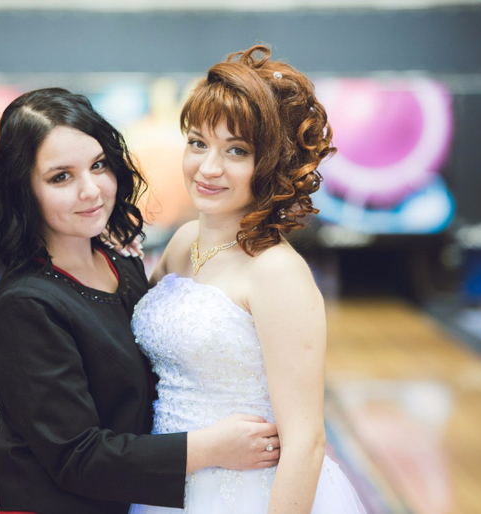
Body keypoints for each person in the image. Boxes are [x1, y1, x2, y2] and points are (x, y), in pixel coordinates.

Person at [0, 88, 281, 514]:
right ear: (24, 190)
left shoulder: (120, 261)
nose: (91, 191)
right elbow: (77, 457)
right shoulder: (26, 306)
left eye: (98, 165)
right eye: (61, 177)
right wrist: (210, 447)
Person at [129, 46, 367, 513]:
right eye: (198, 143)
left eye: (236, 151)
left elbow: (305, 443)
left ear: (271, 163)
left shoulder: (277, 273)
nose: (208, 167)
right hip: (169, 483)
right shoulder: (184, 241)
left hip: (249, 493)